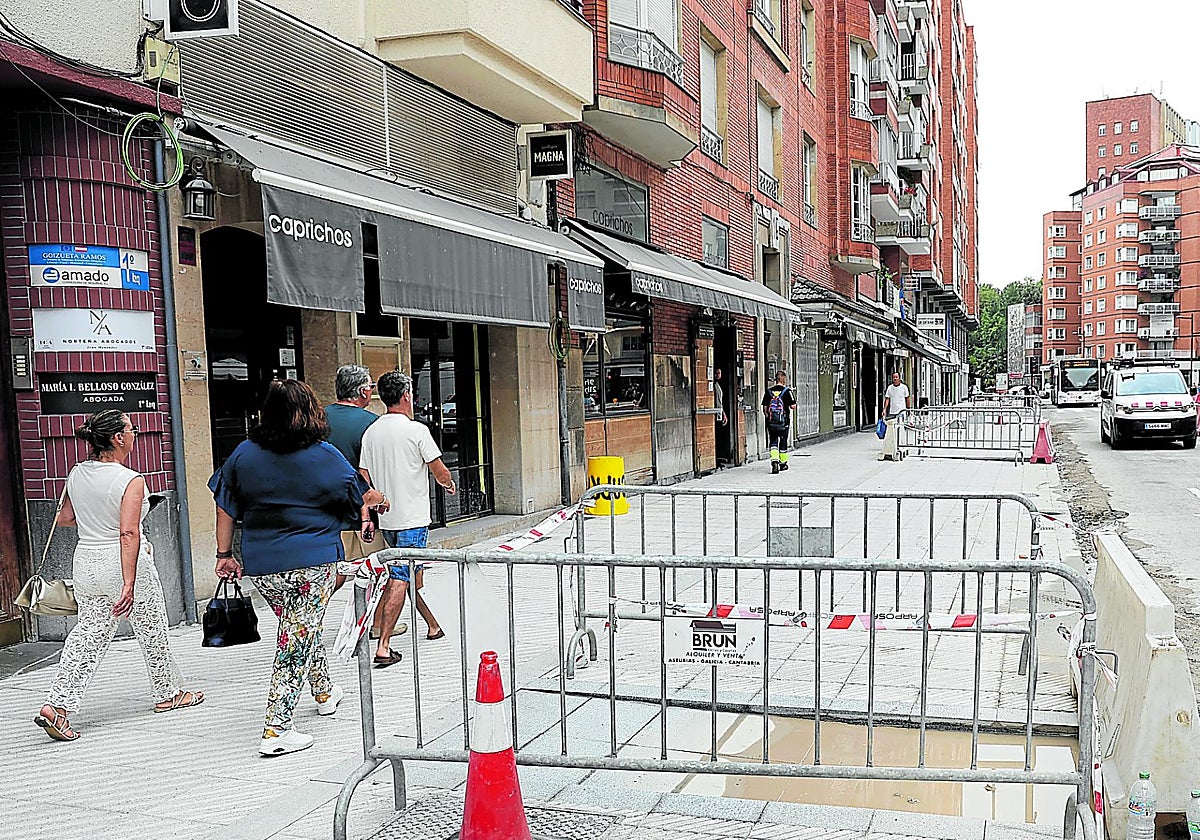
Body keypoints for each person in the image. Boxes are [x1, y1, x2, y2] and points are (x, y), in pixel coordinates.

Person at [209, 380, 387, 756]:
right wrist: (376, 500)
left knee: (299, 629)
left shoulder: (243, 454)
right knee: (295, 638)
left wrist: (223, 554)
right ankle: (277, 729)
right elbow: (357, 497)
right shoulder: (324, 455)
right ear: (310, 412)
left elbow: (225, 505)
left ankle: (324, 691)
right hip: (313, 561)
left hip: (262, 564)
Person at [34, 411, 202, 742]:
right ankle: (168, 693)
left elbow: (64, 518)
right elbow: (128, 533)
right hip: (123, 562)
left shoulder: (76, 472)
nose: (135, 433)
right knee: (151, 627)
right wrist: (128, 582)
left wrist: (94, 517)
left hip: (86, 559)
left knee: (87, 633)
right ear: (118, 438)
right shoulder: (131, 479)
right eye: (131, 429)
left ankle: (58, 704)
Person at [360, 371, 457, 666]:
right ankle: (384, 645)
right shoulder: (416, 430)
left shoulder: (372, 432)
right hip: (412, 518)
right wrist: (448, 483)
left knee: (409, 574)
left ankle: (433, 624)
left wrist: (372, 504)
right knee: (401, 578)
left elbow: (363, 475)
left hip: (387, 519)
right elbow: (439, 470)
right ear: (406, 396)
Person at [761, 370, 797, 474]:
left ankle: (774, 462)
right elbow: (793, 406)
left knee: (773, 441)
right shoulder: (787, 391)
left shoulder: (768, 391)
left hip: (771, 422)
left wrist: (769, 418)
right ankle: (783, 463)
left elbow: (765, 408)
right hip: (784, 422)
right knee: (783, 441)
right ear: (784, 379)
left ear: (776, 379)